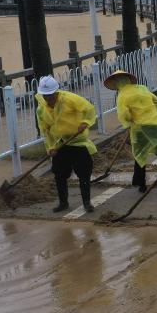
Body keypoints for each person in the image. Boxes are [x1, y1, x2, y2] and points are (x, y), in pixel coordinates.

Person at [105, 69, 157, 192]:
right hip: (155, 124)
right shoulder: (142, 88)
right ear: (128, 79)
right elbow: (156, 101)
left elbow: (124, 115)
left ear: (117, 83)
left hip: (140, 128)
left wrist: (131, 121)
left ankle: (141, 183)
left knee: (140, 155)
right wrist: (150, 112)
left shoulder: (122, 95)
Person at [35, 75, 97, 213]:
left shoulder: (70, 99)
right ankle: (63, 202)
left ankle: (87, 203)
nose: (48, 99)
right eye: (45, 96)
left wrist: (85, 123)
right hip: (60, 144)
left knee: (84, 173)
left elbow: (89, 109)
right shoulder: (41, 109)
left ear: (56, 92)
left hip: (77, 142)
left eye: (51, 96)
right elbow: (45, 130)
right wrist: (51, 147)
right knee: (59, 174)